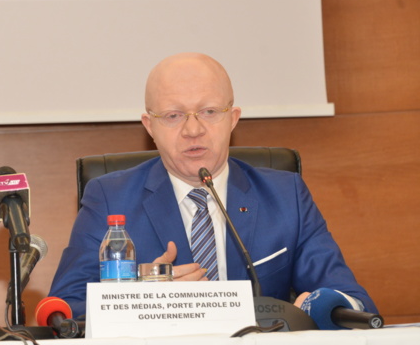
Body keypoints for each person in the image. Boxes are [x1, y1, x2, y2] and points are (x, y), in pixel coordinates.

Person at [50, 52, 376, 321]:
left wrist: (319, 304)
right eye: (174, 115)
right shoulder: (109, 198)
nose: (193, 130)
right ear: (150, 126)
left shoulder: (285, 195)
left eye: (209, 112)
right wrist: (140, 296)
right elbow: (64, 311)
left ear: (233, 118)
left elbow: (356, 306)